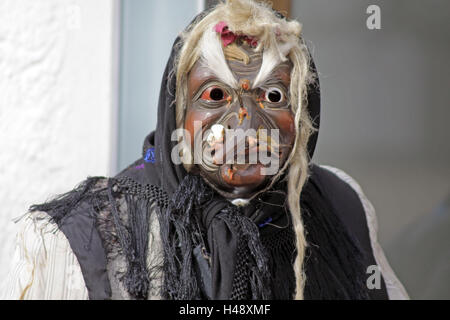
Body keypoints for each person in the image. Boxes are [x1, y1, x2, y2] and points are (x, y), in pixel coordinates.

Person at [1, 0, 408, 300]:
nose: (245, 124)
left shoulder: (341, 205)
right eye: (215, 95)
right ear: (178, 113)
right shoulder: (79, 239)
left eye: (272, 95)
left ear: (302, 117)